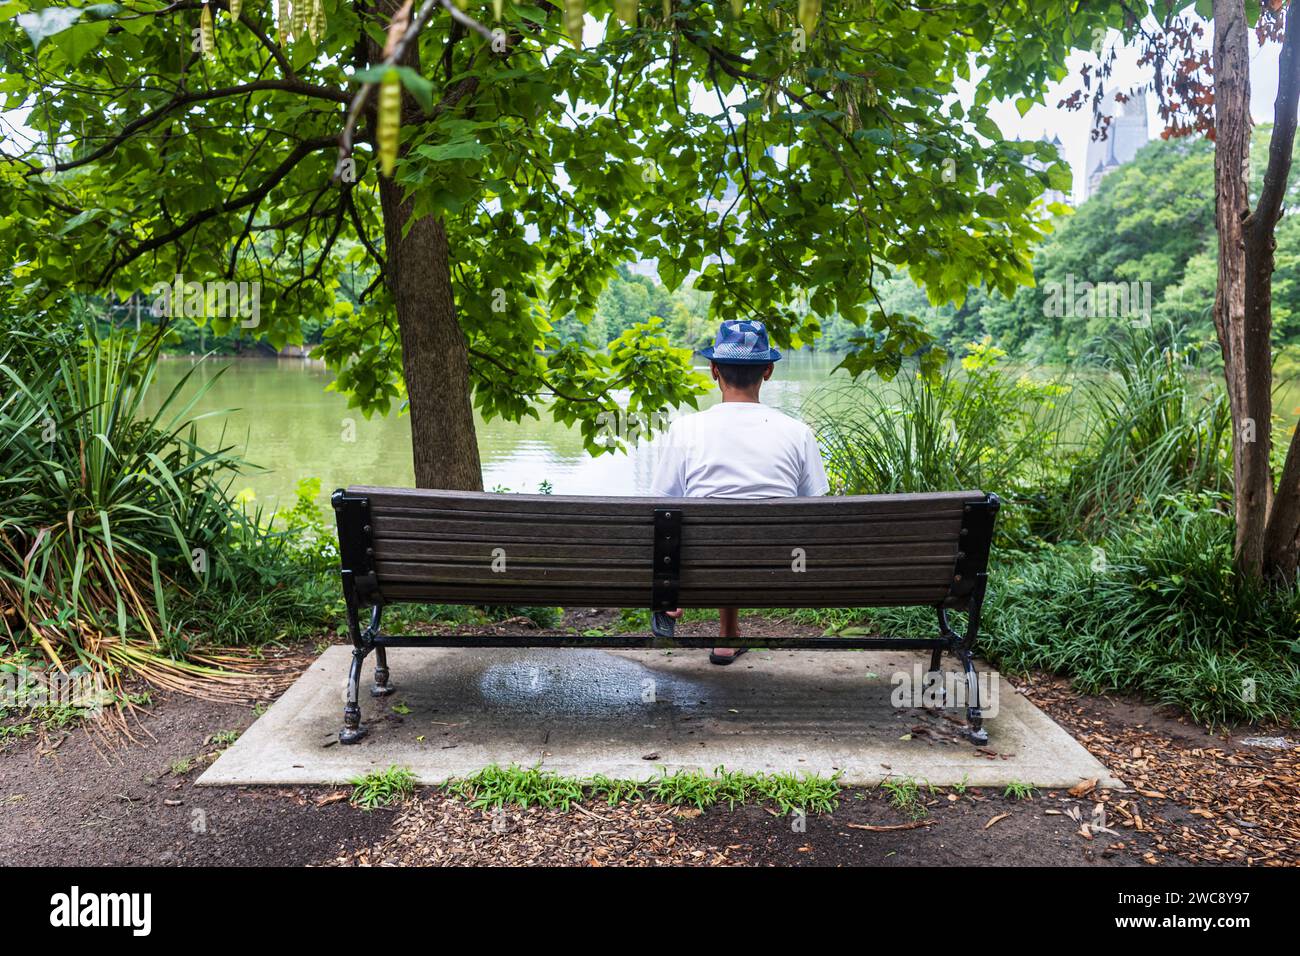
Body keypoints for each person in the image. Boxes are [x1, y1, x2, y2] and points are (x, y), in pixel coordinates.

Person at [649, 319, 829, 664]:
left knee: (687, 530)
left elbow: (661, 504)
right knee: (736, 533)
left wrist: (670, 583)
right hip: (783, 570)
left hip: (703, 568)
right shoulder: (798, 432)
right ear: (768, 371)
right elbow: (814, 511)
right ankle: (728, 635)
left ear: (714, 371)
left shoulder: (685, 429)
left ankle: (680, 608)